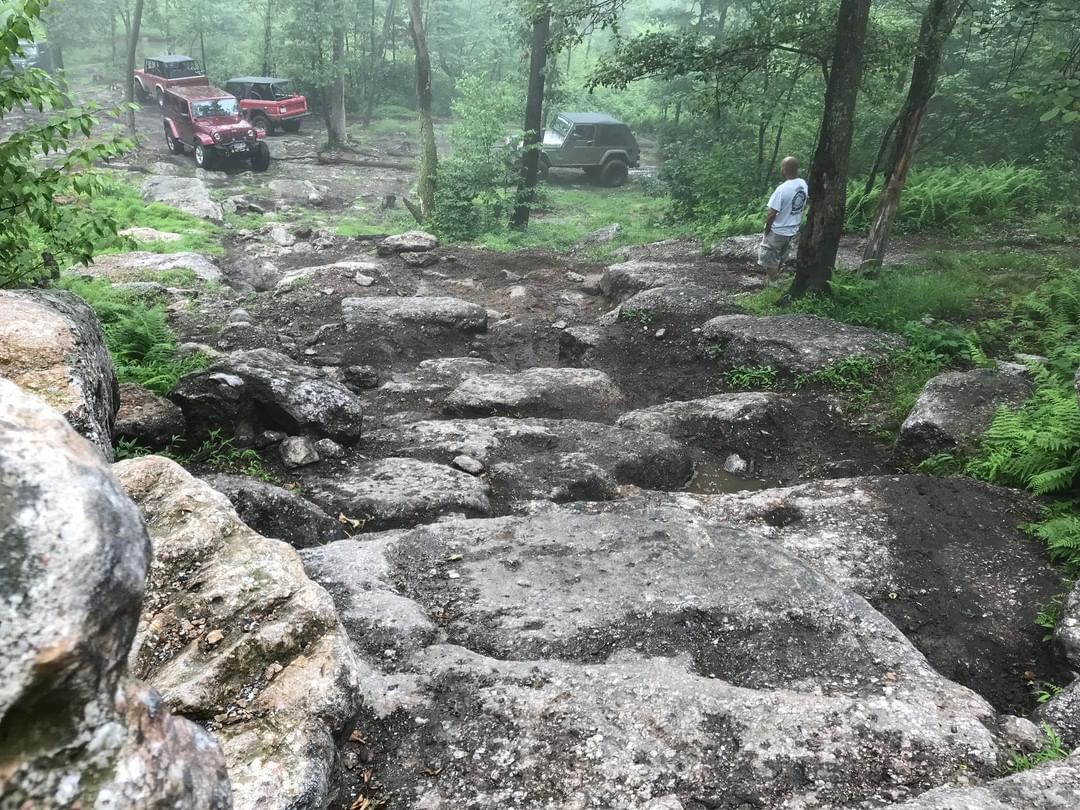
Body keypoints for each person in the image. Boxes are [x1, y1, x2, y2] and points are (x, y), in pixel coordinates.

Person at [758, 156, 809, 284]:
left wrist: (767, 229)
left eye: (782, 166)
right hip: (792, 229)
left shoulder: (782, 189)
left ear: (785, 169)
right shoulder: (803, 184)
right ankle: (772, 280)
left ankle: (773, 285)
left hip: (778, 230)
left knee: (768, 258)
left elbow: (772, 214)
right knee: (780, 256)